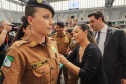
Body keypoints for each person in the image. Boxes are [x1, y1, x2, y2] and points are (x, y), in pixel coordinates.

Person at [1, 0, 60, 84]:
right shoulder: (18, 50)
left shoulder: (52, 43)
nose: (52, 22)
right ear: (31, 20)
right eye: (46, 17)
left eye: (51, 17)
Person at [88, 10, 126, 84]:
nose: (90, 24)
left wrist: (124, 76)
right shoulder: (92, 35)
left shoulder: (118, 33)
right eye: (89, 22)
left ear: (100, 19)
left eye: (92, 22)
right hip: (94, 75)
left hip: (112, 76)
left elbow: (125, 56)